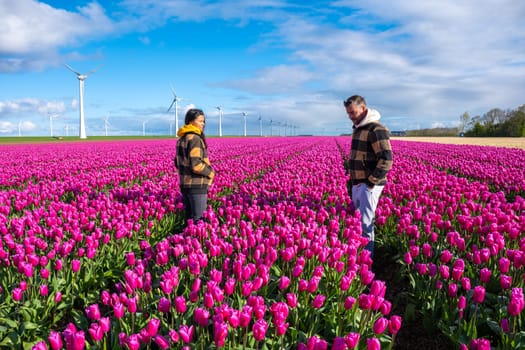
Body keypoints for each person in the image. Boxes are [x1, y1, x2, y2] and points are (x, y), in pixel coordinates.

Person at [344, 95, 393, 257]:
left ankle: (366, 263)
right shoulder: (359, 128)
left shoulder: (376, 129)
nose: (350, 116)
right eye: (348, 113)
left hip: (367, 184)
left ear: (363, 109)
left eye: (353, 112)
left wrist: (370, 182)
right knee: (358, 223)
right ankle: (358, 257)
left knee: (366, 224)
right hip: (358, 183)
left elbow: (386, 158)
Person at [175, 108, 215, 224]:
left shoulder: (181, 139)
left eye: (204, 121)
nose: (203, 124)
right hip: (197, 186)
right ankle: (196, 241)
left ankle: (186, 241)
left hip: (185, 185)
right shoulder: (195, 139)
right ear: (191, 122)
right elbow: (196, 165)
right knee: (199, 221)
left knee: (189, 221)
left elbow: (177, 163)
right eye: (200, 121)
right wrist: (211, 172)